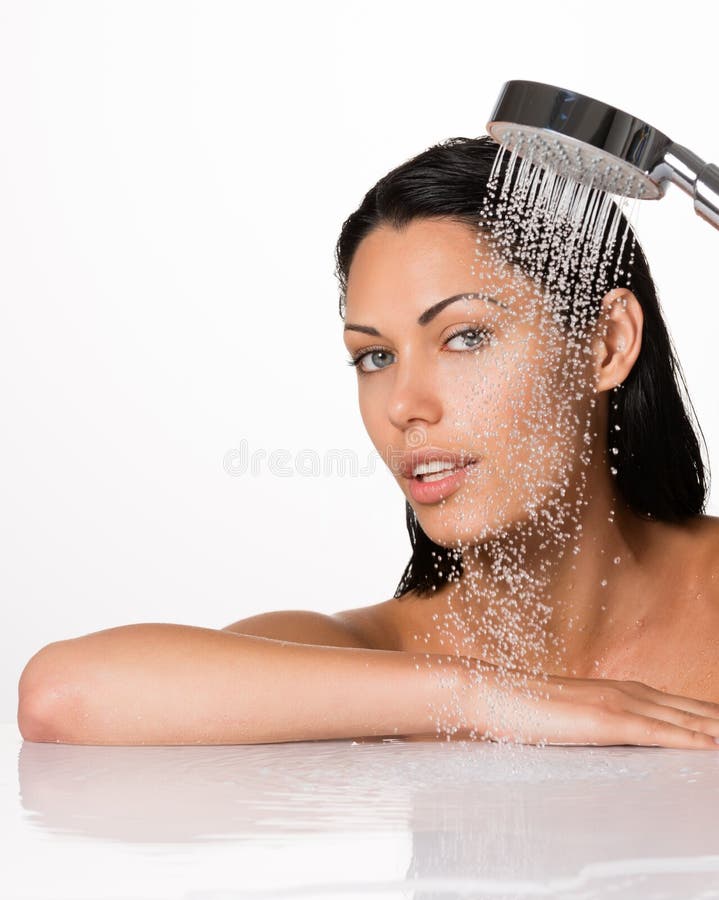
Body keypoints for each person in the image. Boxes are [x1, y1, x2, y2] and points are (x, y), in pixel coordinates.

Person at [16, 137, 719, 749]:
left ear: (605, 342)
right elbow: (63, 695)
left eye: (465, 337)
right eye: (374, 357)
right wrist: (488, 699)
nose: (406, 407)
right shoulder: (374, 660)